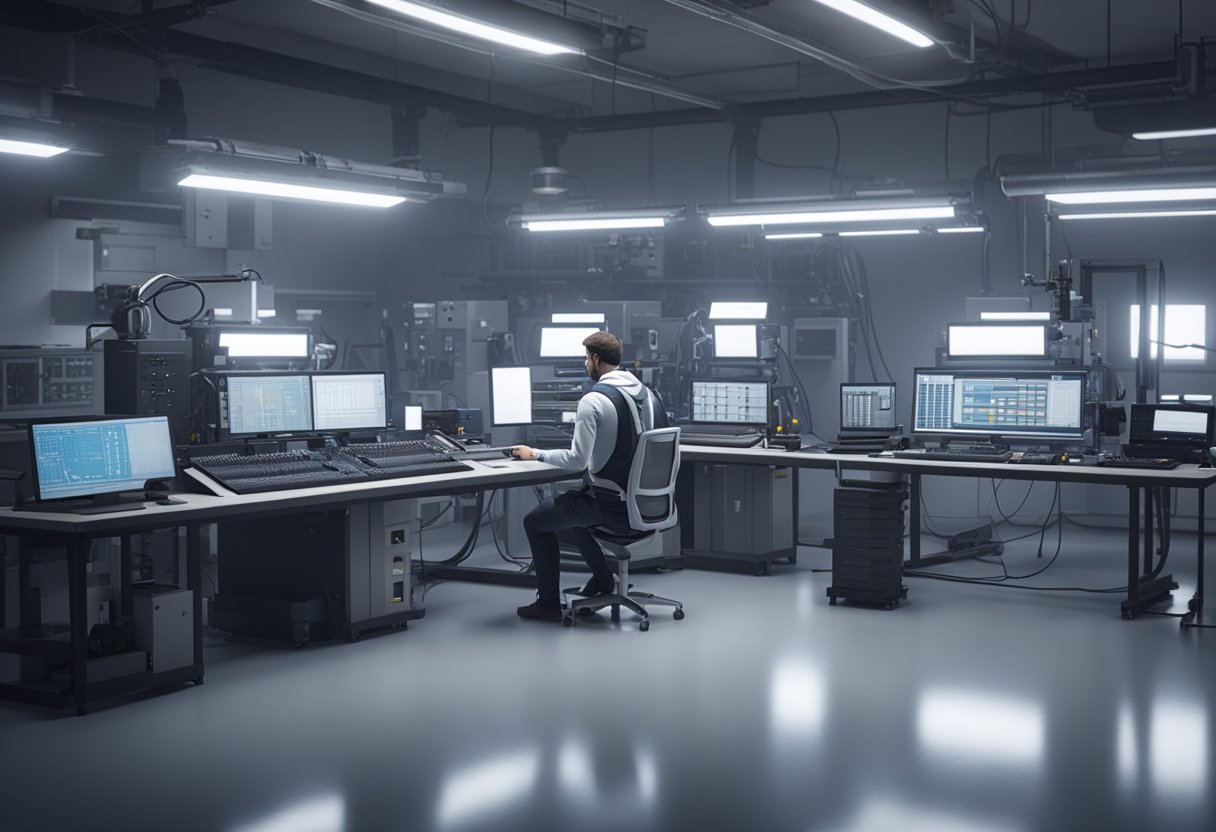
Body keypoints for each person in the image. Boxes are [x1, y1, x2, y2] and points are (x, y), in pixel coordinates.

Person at [512, 331, 667, 620]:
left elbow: (576, 460)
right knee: (572, 509)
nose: (585, 365)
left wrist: (534, 454)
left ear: (595, 359)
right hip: (647, 508)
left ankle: (547, 603)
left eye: (586, 359)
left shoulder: (593, 400)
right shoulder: (647, 394)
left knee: (535, 522)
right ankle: (604, 581)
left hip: (613, 509)